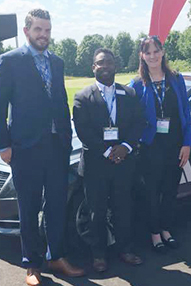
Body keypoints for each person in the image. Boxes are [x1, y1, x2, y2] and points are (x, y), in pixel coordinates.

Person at [0, 9, 85, 286]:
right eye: (39, 29)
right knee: (28, 209)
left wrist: (66, 138)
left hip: (56, 148)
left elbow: (61, 101)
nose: (44, 35)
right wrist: (3, 145)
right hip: (25, 150)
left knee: (56, 206)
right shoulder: (9, 61)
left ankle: (57, 257)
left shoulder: (57, 62)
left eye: (48, 30)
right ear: (27, 31)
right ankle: (32, 265)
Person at [72, 48, 145, 273]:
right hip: (96, 165)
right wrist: (107, 152)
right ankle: (99, 255)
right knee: (97, 211)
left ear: (116, 66)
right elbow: (83, 132)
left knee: (124, 208)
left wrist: (125, 147)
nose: (105, 66)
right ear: (93, 67)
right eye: (100, 63)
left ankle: (125, 250)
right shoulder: (82, 96)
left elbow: (138, 124)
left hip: (123, 163)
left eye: (109, 62)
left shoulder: (129, 94)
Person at [130, 36, 191, 254]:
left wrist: (187, 143)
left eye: (156, 51)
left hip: (175, 145)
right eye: (148, 52)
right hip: (150, 147)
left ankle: (166, 229)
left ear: (163, 52)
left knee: (169, 190)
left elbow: (185, 112)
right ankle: (155, 233)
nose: (153, 56)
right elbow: (132, 118)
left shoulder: (176, 79)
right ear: (142, 56)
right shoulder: (137, 85)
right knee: (152, 192)